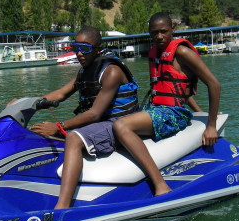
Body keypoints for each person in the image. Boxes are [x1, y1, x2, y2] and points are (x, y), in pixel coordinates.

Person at [113, 12, 221, 196]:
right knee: (113, 121)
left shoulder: (182, 52)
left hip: (174, 114)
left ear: (173, 29)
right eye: (154, 32)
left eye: (164, 31)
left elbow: (214, 84)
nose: (159, 36)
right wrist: (199, 111)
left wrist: (210, 125)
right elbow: (175, 89)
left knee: (121, 126)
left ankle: (160, 185)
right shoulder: (155, 52)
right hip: (157, 108)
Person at [30, 26, 139, 209]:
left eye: (85, 49)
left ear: (97, 49)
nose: (79, 53)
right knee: (37, 132)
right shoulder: (83, 70)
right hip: (97, 124)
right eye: (76, 47)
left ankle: (63, 206)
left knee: (72, 137)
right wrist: (29, 103)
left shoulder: (111, 71)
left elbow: (95, 113)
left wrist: (60, 126)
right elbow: (61, 94)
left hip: (117, 124)